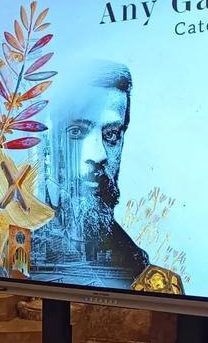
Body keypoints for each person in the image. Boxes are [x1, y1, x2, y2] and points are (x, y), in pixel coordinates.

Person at [38, 59, 148, 287]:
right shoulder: (21, 247)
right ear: (49, 143)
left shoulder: (137, 263)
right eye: (77, 132)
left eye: (111, 134)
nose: (99, 154)